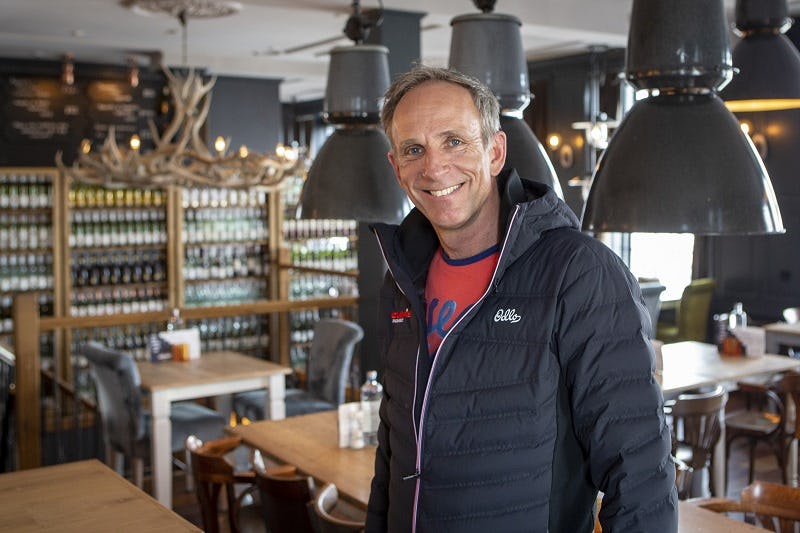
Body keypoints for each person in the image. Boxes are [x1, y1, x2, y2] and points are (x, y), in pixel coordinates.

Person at [365, 65, 677, 532]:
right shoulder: (402, 278)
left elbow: (640, 473)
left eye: (454, 141)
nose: (433, 167)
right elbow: (392, 449)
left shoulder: (578, 271)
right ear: (397, 167)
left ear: (494, 152)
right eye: (414, 149)